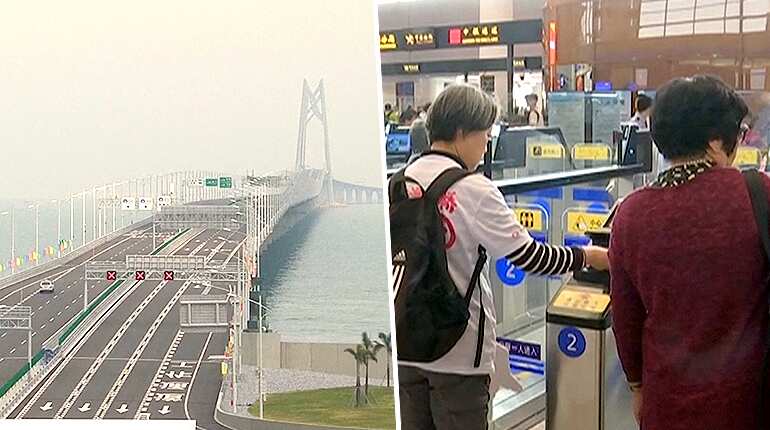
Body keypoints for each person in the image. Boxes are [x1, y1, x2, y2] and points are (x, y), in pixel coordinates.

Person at [395, 84, 609, 429]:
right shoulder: (473, 188)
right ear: (463, 132)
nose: (486, 145)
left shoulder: (399, 181)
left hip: (404, 344)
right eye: (485, 134)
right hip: (458, 352)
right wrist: (587, 257)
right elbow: (530, 257)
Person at [609, 75, 768, 429]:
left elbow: (626, 317)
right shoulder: (757, 194)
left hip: (667, 403)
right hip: (747, 401)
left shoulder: (630, 214)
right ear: (715, 141)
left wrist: (638, 386)